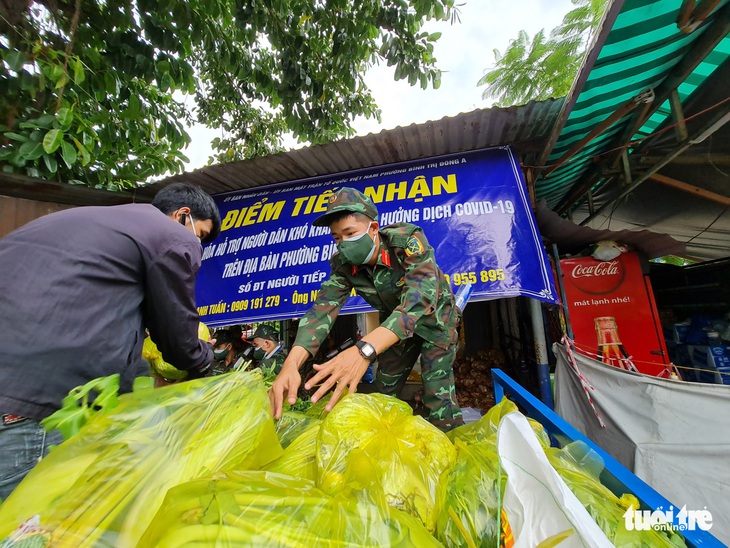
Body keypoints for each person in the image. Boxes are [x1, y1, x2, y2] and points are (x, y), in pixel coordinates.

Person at [0, 182, 220, 498]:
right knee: (28, 531)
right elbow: (177, 335)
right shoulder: (171, 235)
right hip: (35, 404)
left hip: (13, 392)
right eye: (200, 234)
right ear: (183, 215)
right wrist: (202, 364)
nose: (196, 244)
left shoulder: (81, 223)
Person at [269, 187, 464, 432]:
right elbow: (321, 311)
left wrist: (364, 350)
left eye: (350, 233)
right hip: (393, 326)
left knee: (437, 397)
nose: (343, 244)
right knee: (383, 393)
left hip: (435, 321)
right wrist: (291, 364)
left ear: (373, 229)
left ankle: (453, 450)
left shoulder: (406, 241)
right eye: (337, 238)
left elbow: (420, 299)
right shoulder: (343, 265)